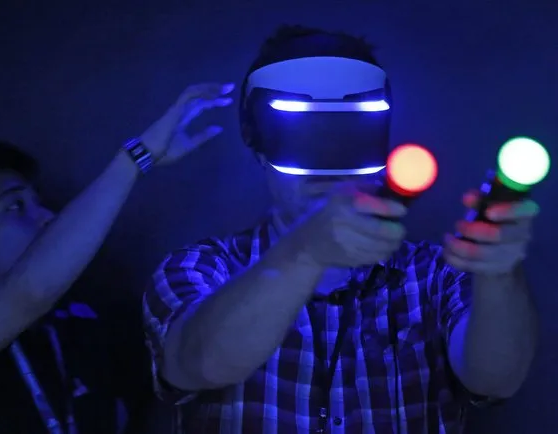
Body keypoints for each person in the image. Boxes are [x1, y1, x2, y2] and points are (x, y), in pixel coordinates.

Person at [143, 25, 539, 433]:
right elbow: (199, 363)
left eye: (350, 126)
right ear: (255, 137)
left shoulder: (436, 276)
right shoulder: (199, 270)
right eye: (299, 127)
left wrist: (498, 274)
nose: (327, 158)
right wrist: (304, 253)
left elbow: (496, 379)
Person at [0, 82, 234, 434]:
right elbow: (29, 290)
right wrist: (137, 157)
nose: (47, 216)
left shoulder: (87, 322)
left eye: (37, 201)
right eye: (15, 206)